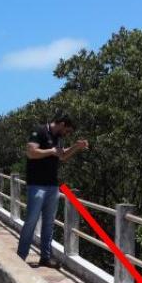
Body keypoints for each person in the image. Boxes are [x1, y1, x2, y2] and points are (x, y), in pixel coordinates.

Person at [17, 114, 89, 267]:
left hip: (52, 186)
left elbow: (61, 156)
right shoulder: (39, 131)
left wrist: (76, 147)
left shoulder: (58, 138)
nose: (67, 134)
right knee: (31, 221)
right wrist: (50, 151)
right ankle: (20, 257)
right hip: (37, 185)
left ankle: (46, 257)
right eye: (67, 130)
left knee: (49, 223)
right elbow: (30, 152)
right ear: (62, 124)